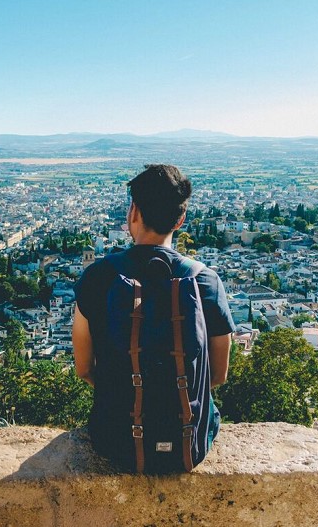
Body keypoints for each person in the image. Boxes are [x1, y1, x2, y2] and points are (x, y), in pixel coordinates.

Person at [72, 164, 235, 471]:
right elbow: (218, 375)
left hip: (116, 441)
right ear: (181, 219)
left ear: (133, 212)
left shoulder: (97, 279)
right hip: (189, 444)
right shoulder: (206, 282)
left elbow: (83, 368)